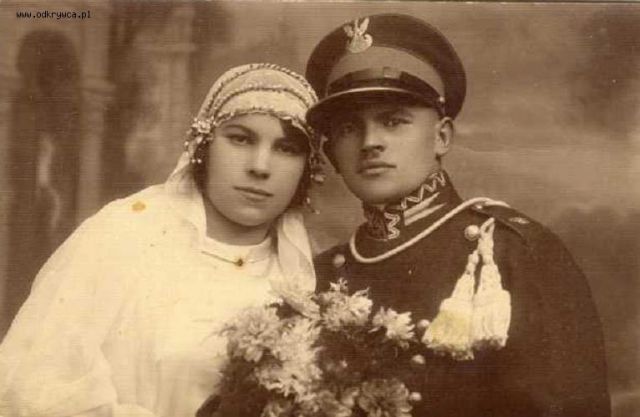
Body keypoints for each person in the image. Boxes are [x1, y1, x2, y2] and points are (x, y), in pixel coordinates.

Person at [308, 14, 611, 417]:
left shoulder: (509, 253)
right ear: (331, 154)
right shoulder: (319, 273)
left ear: (442, 137)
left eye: (393, 121)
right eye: (349, 128)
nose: (370, 142)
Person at [0, 63, 322, 417]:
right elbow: (31, 388)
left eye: (287, 148)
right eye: (241, 139)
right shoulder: (123, 233)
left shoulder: (308, 277)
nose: (260, 166)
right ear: (204, 145)